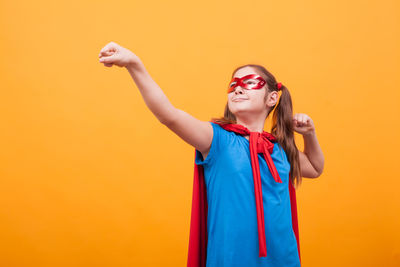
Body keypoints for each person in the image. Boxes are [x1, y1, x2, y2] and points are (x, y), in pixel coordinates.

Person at [98, 41, 325, 267]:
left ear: (272, 98)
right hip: (231, 259)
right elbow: (168, 115)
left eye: (249, 83)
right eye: (233, 84)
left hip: (283, 259)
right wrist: (134, 64)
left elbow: (315, 168)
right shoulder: (216, 139)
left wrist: (309, 134)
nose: (237, 88)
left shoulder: (278, 147)